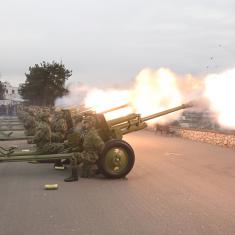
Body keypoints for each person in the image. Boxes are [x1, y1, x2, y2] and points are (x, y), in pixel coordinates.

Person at [64, 116, 105, 182]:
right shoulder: (87, 132)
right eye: (85, 122)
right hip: (87, 153)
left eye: (86, 123)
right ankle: (97, 171)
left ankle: (74, 176)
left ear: (91, 124)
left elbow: (102, 146)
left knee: (73, 156)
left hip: (91, 155)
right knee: (85, 175)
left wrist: (96, 157)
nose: (84, 124)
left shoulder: (93, 134)